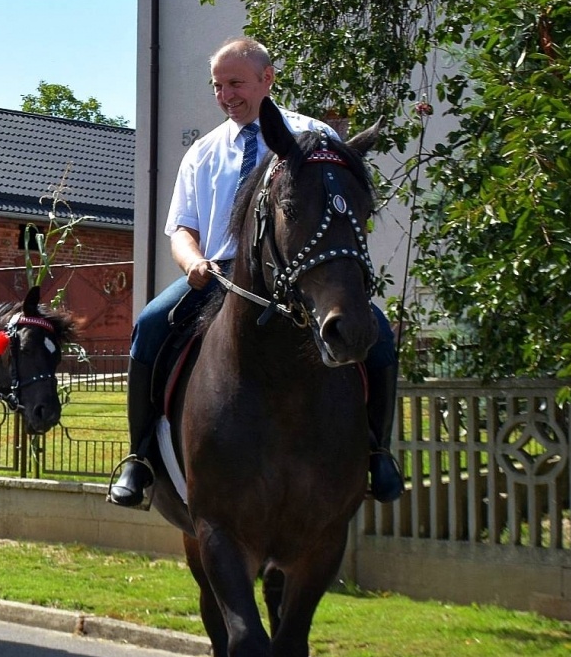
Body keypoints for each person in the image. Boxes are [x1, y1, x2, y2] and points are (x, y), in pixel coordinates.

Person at [106, 37, 404, 509]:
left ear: (267, 79)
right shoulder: (201, 153)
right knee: (148, 326)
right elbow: (181, 229)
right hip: (219, 276)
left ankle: (376, 452)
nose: (226, 95)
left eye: (236, 83)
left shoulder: (315, 135)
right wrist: (192, 262)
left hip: (299, 276)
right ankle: (140, 458)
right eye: (217, 86)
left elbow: (339, 209)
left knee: (378, 333)